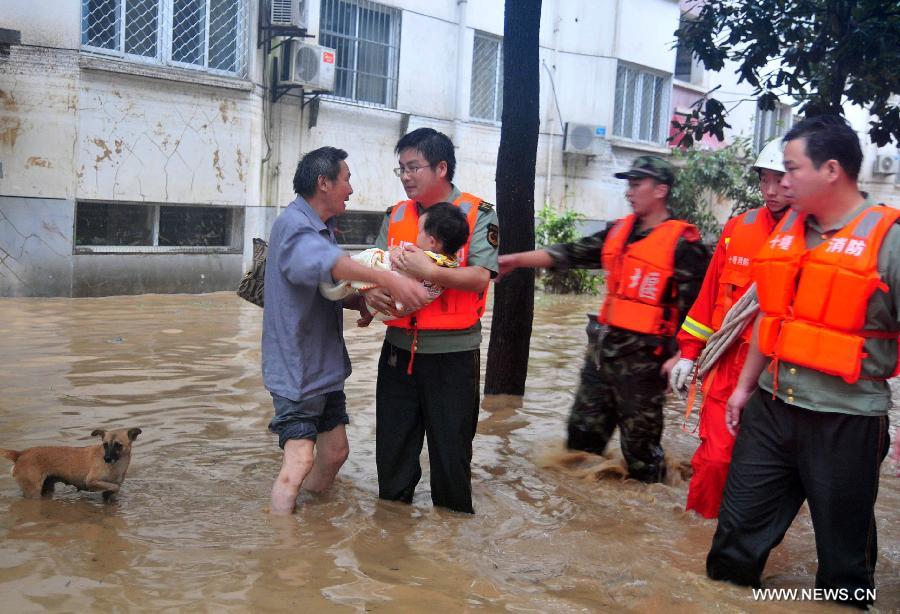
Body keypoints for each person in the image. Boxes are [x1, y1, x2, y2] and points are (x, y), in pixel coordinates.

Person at [706, 115, 896, 607]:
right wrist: (745, 389)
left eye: (791, 169)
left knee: (843, 567)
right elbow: (773, 319)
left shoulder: (888, 241)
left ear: (831, 170)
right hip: (771, 407)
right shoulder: (787, 234)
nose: (781, 181)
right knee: (731, 551)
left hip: (847, 419)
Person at [499, 156, 710, 482]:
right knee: (580, 443)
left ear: (661, 190)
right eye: (629, 184)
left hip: (645, 363)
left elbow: (700, 307)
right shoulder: (619, 232)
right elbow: (571, 253)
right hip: (602, 354)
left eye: (637, 184)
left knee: (641, 458)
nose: (629, 192)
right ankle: (582, 513)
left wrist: (684, 356)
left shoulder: (684, 245)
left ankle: (641, 519)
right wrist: (515, 260)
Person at [262, 146, 428, 515]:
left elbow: (324, 287)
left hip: (322, 368)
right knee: (300, 461)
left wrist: (363, 302)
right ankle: (282, 550)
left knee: (335, 453)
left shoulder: (320, 229)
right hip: (296, 370)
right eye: (347, 179)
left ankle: (306, 515)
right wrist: (388, 279)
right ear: (324, 183)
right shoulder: (294, 226)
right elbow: (331, 265)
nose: (351, 189)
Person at [365, 128, 498, 514]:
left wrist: (430, 270)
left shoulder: (478, 213)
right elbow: (373, 270)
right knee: (392, 457)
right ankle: (391, 547)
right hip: (397, 354)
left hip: (453, 357)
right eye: (401, 169)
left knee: (451, 459)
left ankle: (452, 555)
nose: (406, 176)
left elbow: (480, 278)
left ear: (441, 167)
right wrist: (369, 295)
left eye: (413, 167)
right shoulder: (395, 216)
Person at [668, 138, 791, 519]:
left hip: (782, 373)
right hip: (728, 367)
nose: (769, 191)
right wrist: (688, 355)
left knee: (770, 475)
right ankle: (698, 541)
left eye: (780, 180)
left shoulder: (817, 234)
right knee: (715, 461)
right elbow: (708, 300)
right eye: (764, 180)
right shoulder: (739, 229)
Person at [319, 202, 471, 321]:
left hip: (387, 301)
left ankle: (339, 270)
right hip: (395, 311)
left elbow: (399, 260)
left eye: (419, 232)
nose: (417, 236)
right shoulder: (451, 263)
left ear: (432, 241)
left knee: (373, 256)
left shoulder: (422, 257)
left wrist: (395, 252)